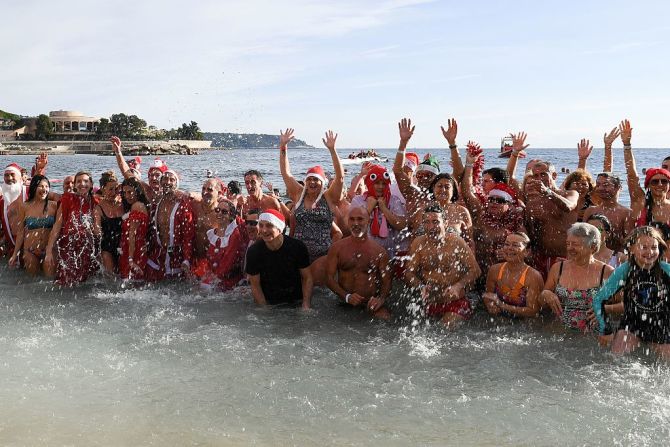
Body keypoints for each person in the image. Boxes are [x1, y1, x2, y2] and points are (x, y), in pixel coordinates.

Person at [593, 226, 670, 358]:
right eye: (643, 247)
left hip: (662, 327)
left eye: (654, 247)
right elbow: (599, 299)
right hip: (632, 326)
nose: (650, 252)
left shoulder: (666, 270)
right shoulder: (625, 270)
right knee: (615, 360)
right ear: (632, 249)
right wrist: (605, 330)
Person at [279, 129, 344, 282]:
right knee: (299, 291)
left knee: (318, 292)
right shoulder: (298, 194)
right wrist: (283, 147)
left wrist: (332, 150)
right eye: (309, 180)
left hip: (323, 255)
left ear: (323, 183)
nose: (312, 183)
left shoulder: (328, 197)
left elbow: (340, 178)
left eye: (316, 180)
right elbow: (285, 173)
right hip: (298, 253)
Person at [402, 204, 481, 327]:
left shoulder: (456, 242)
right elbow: (409, 272)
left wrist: (458, 286)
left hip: (455, 302)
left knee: (444, 329)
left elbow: (475, 270)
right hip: (431, 303)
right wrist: (420, 286)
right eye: (426, 222)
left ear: (446, 223)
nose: (431, 227)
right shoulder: (418, 243)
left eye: (435, 222)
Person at [462, 149, 526, 280]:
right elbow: (467, 192)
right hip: (478, 273)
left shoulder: (517, 219)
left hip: (503, 277)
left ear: (509, 203)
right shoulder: (481, 214)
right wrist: (469, 165)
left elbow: (528, 251)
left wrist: (513, 252)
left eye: (500, 200)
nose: (494, 203)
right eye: (491, 199)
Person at [539, 223, 614, 333]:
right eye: (568, 244)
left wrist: (605, 309)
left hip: (593, 336)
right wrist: (546, 293)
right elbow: (541, 303)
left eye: (575, 244)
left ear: (592, 247)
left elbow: (624, 305)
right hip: (560, 333)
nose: (570, 248)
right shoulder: (557, 268)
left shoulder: (607, 272)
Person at [325, 206, 391, 319]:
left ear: (368, 221)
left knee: (386, 318)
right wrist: (346, 296)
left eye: (360, 219)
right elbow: (328, 278)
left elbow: (387, 282)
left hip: (369, 304)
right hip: (343, 301)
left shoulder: (380, 252)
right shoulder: (337, 248)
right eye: (352, 219)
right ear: (347, 221)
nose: (356, 223)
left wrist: (380, 300)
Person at [245, 209, 312, 308]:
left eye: (269, 226)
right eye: (261, 225)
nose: (264, 230)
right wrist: (264, 310)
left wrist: (306, 304)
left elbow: (307, 278)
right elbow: (255, 286)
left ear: (280, 229)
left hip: (296, 299)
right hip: (269, 301)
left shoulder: (297, 247)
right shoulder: (253, 252)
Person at [523, 159, 579, 278]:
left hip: (567, 257)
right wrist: (534, 220)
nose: (539, 178)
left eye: (543, 174)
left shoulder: (570, 193)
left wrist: (548, 192)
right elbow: (531, 235)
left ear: (554, 175)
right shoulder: (533, 203)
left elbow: (569, 206)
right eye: (536, 175)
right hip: (541, 259)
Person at [45, 171, 100, 286]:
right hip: (68, 247)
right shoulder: (67, 199)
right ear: (74, 185)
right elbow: (57, 226)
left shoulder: (96, 202)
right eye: (78, 181)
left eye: (85, 181)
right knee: (64, 282)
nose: (82, 184)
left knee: (86, 284)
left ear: (91, 184)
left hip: (88, 249)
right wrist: (49, 251)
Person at [146, 169, 195, 280]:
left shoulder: (183, 204)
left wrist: (186, 259)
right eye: (165, 179)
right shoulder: (156, 201)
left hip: (176, 257)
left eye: (171, 180)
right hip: (157, 255)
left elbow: (188, 235)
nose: (167, 182)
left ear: (176, 184)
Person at [482, 232, 543, 318]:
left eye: (515, 245)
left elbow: (533, 311)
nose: (509, 248)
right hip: (500, 321)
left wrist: (502, 305)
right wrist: (490, 305)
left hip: (525, 324)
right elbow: (488, 296)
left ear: (526, 252)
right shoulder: (494, 270)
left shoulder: (533, 276)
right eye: (507, 244)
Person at [351, 164, 406, 255]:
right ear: (369, 183)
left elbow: (401, 225)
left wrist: (384, 209)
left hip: (389, 254)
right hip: (363, 254)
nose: (380, 187)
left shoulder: (394, 200)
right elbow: (354, 227)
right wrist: (368, 209)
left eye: (384, 183)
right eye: (376, 183)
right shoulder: (358, 200)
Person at [9, 175, 58, 276]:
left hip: (49, 250)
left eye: (46, 186)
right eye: (41, 186)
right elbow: (21, 231)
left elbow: (57, 229)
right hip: (30, 251)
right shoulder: (24, 206)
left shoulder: (54, 206)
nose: (44, 189)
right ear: (33, 188)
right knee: (32, 282)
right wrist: (15, 254)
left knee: (49, 281)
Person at [199, 198, 247, 290]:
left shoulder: (235, 234)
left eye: (224, 212)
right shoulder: (211, 233)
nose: (219, 213)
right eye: (217, 210)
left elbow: (227, 264)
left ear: (231, 215)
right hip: (214, 281)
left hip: (231, 285)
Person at [582, 172, 632, 253]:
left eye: (605, 185)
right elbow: (582, 236)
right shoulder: (590, 211)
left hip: (615, 259)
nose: (600, 188)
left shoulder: (626, 213)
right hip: (591, 257)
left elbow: (629, 242)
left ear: (617, 187)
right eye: (598, 185)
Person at [118, 177, 150, 279]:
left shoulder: (137, 206)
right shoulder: (138, 205)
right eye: (124, 192)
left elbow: (132, 234)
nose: (127, 196)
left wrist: (131, 259)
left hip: (134, 252)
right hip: (136, 249)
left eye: (130, 192)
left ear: (137, 191)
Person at [191, 178, 226, 273]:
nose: (205, 192)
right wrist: (190, 193)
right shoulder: (195, 205)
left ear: (219, 193)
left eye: (210, 190)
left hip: (212, 262)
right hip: (195, 259)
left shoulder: (222, 214)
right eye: (203, 189)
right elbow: (182, 195)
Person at [94, 171, 124, 274]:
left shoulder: (124, 204)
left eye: (116, 189)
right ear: (103, 189)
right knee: (112, 278)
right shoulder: (98, 209)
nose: (113, 193)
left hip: (123, 244)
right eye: (110, 189)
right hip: (107, 247)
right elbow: (97, 231)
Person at [427, 172, 472, 241]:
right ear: (433, 188)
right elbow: (414, 239)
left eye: (447, 187)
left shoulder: (462, 211)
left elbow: (470, 241)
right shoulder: (423, 210)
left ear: (453, 190)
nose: (443, 190)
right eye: (440, 186)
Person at [0, 163, 28, 257]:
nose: (10, 178)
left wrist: (40, 170)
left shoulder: (28, 192)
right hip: (11, 245)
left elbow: (44, 190)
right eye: (6, 175)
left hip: (30, 245)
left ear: (20, 177)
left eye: (12, 174)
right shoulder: (2, 200)